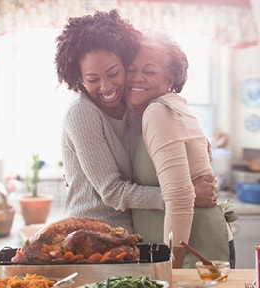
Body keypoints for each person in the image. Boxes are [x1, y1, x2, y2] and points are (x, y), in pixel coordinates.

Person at [55, 10, 217, 235]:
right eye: (93, 79)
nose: (106, 87)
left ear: (124, 64)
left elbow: (162, 148)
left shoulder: (135, 107)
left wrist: (196, 152)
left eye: (113, 73)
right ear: (79, 79)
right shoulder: (81, 113)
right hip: (91, 236)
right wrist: (182, 195)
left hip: (132, 235)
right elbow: (111, 191)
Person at [126, 30, 236, 268]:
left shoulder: (158, 112)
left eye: (149, 71)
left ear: (170, 79)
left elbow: (180, 198)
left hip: (193, 252)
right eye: (131, 70)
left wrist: (170, 269)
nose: (136, 78)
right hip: (195, 245)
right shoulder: (161, 110)